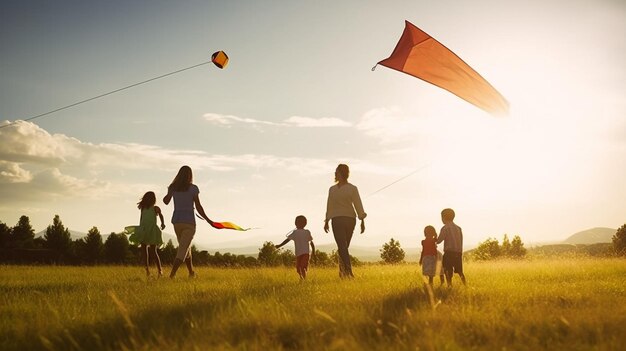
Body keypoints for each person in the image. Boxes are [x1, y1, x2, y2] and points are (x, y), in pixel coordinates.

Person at [163, 165, 214, 279]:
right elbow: (199, 206)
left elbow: (166, 201)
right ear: (190, 175)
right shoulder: (193, 188)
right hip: (189, 222)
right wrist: (209, 220)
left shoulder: (173, 187)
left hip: (177, 222)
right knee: (182, 250)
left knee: (186, 247)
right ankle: (172, 275)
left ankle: (191, 273)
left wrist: (169, 193)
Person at [324, 164, 366, 278]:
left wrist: (362, 220)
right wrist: (326, 220)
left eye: (337, 172)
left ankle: (342, 273)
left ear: (343, 173)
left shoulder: (352, 188)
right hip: (336, 219)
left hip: (350, 220)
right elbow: (329, 205)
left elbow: (358, 203)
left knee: (344, 247)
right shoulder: (332, 189)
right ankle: (348, 272)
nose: (335, 174)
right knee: (342, 247)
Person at [124, 191, 166, 277]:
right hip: (144, 230)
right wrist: (140, 229)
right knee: (146, 250)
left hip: (150, 230)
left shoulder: (155, 208)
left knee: (152, 251)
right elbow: (142, 218)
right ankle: (149, 270)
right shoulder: (143, 208)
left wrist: (162, 223)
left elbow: (161, 215)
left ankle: (159, 270)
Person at [275, 215, 316, 280]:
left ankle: (303, 280)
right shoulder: (295, 232)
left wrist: (313, 251)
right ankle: (302, 278)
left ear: (305, 223)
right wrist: (280, 245)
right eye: (297, 222)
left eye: (300, 222)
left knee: (303, 267)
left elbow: (311, 242)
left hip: (306, 253)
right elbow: (287, 240)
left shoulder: (307, 232)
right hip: (298, 253)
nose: (297, 223)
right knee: (298, 269)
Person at [436, 208, 467, 286]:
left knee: (447, 269)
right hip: (458, 252)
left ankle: (449, 285)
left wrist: (433, 239)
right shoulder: (458, 228)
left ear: (443, 217)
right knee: (460, 270)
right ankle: (465, 285)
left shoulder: (445, 228)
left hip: (449, 252)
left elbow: (439, 240)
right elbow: (461, 240)